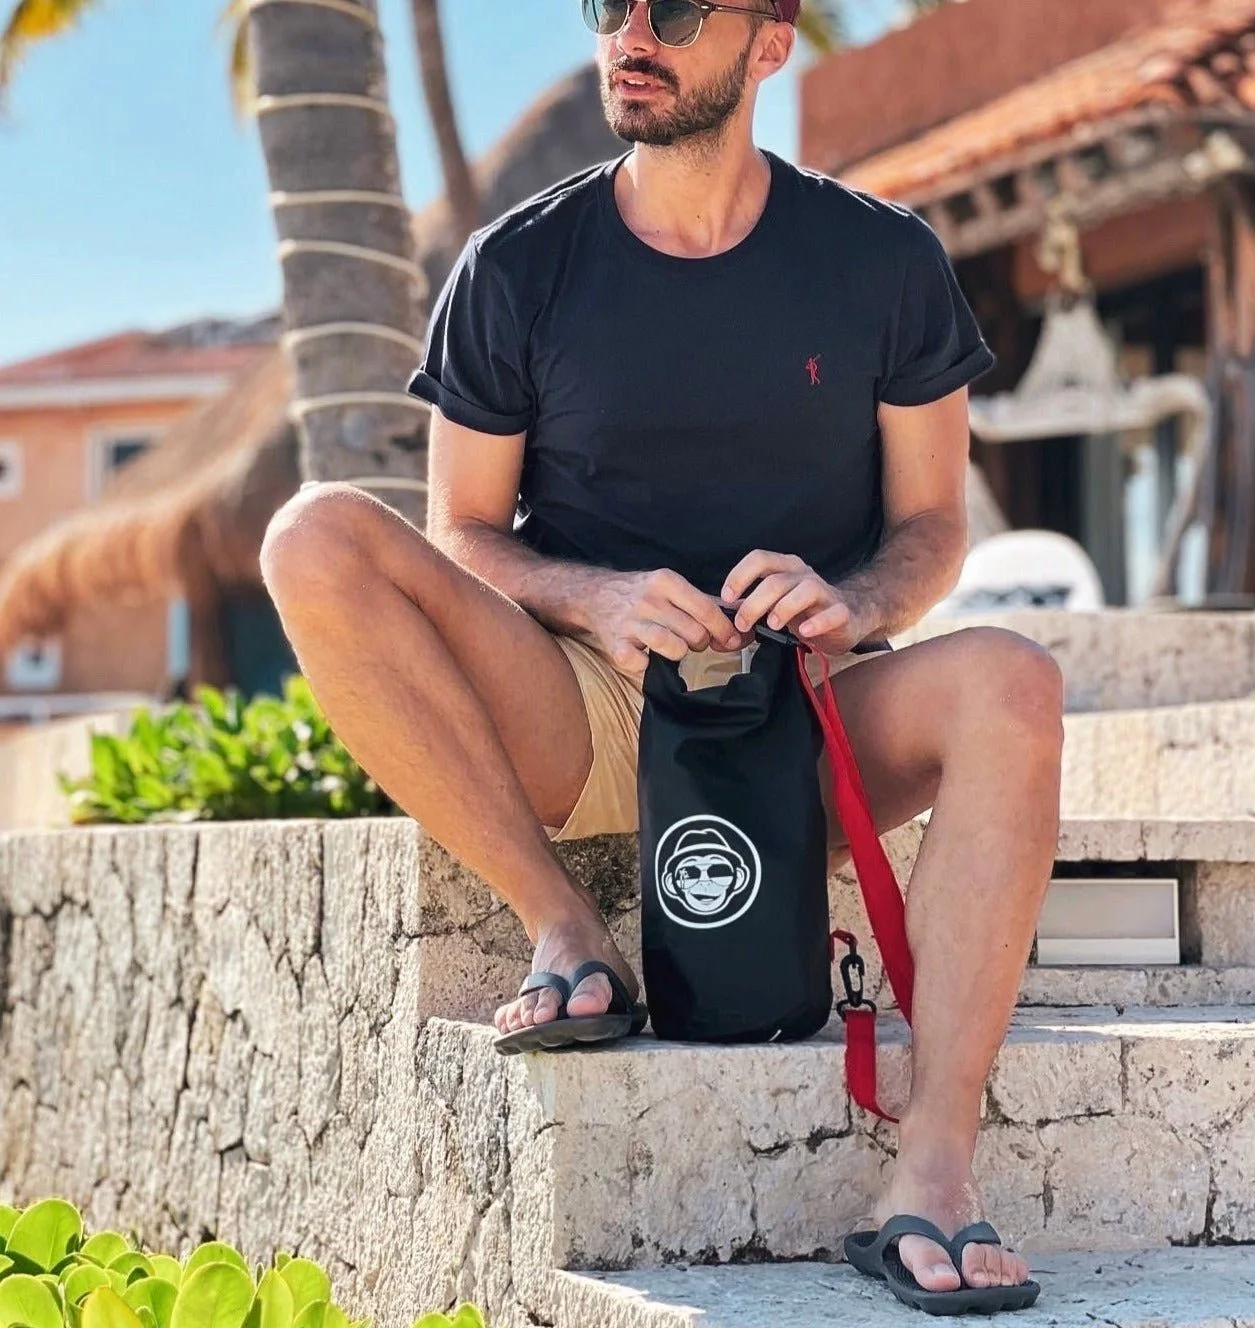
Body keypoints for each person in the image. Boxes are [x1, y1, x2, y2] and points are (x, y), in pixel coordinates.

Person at [260, 0, 1064, 1309]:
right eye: (609, 4)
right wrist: (593, 596)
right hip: (589, 704)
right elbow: (462, 531)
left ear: (769, 42)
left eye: (678, 9)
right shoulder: (519, 266)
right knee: (315, 537)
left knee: (1014, 681)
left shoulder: (883, 261)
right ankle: (567, 931)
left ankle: (932, 1169)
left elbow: (932, 528)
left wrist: (849, 600)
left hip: (807, 713)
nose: (633, 33)